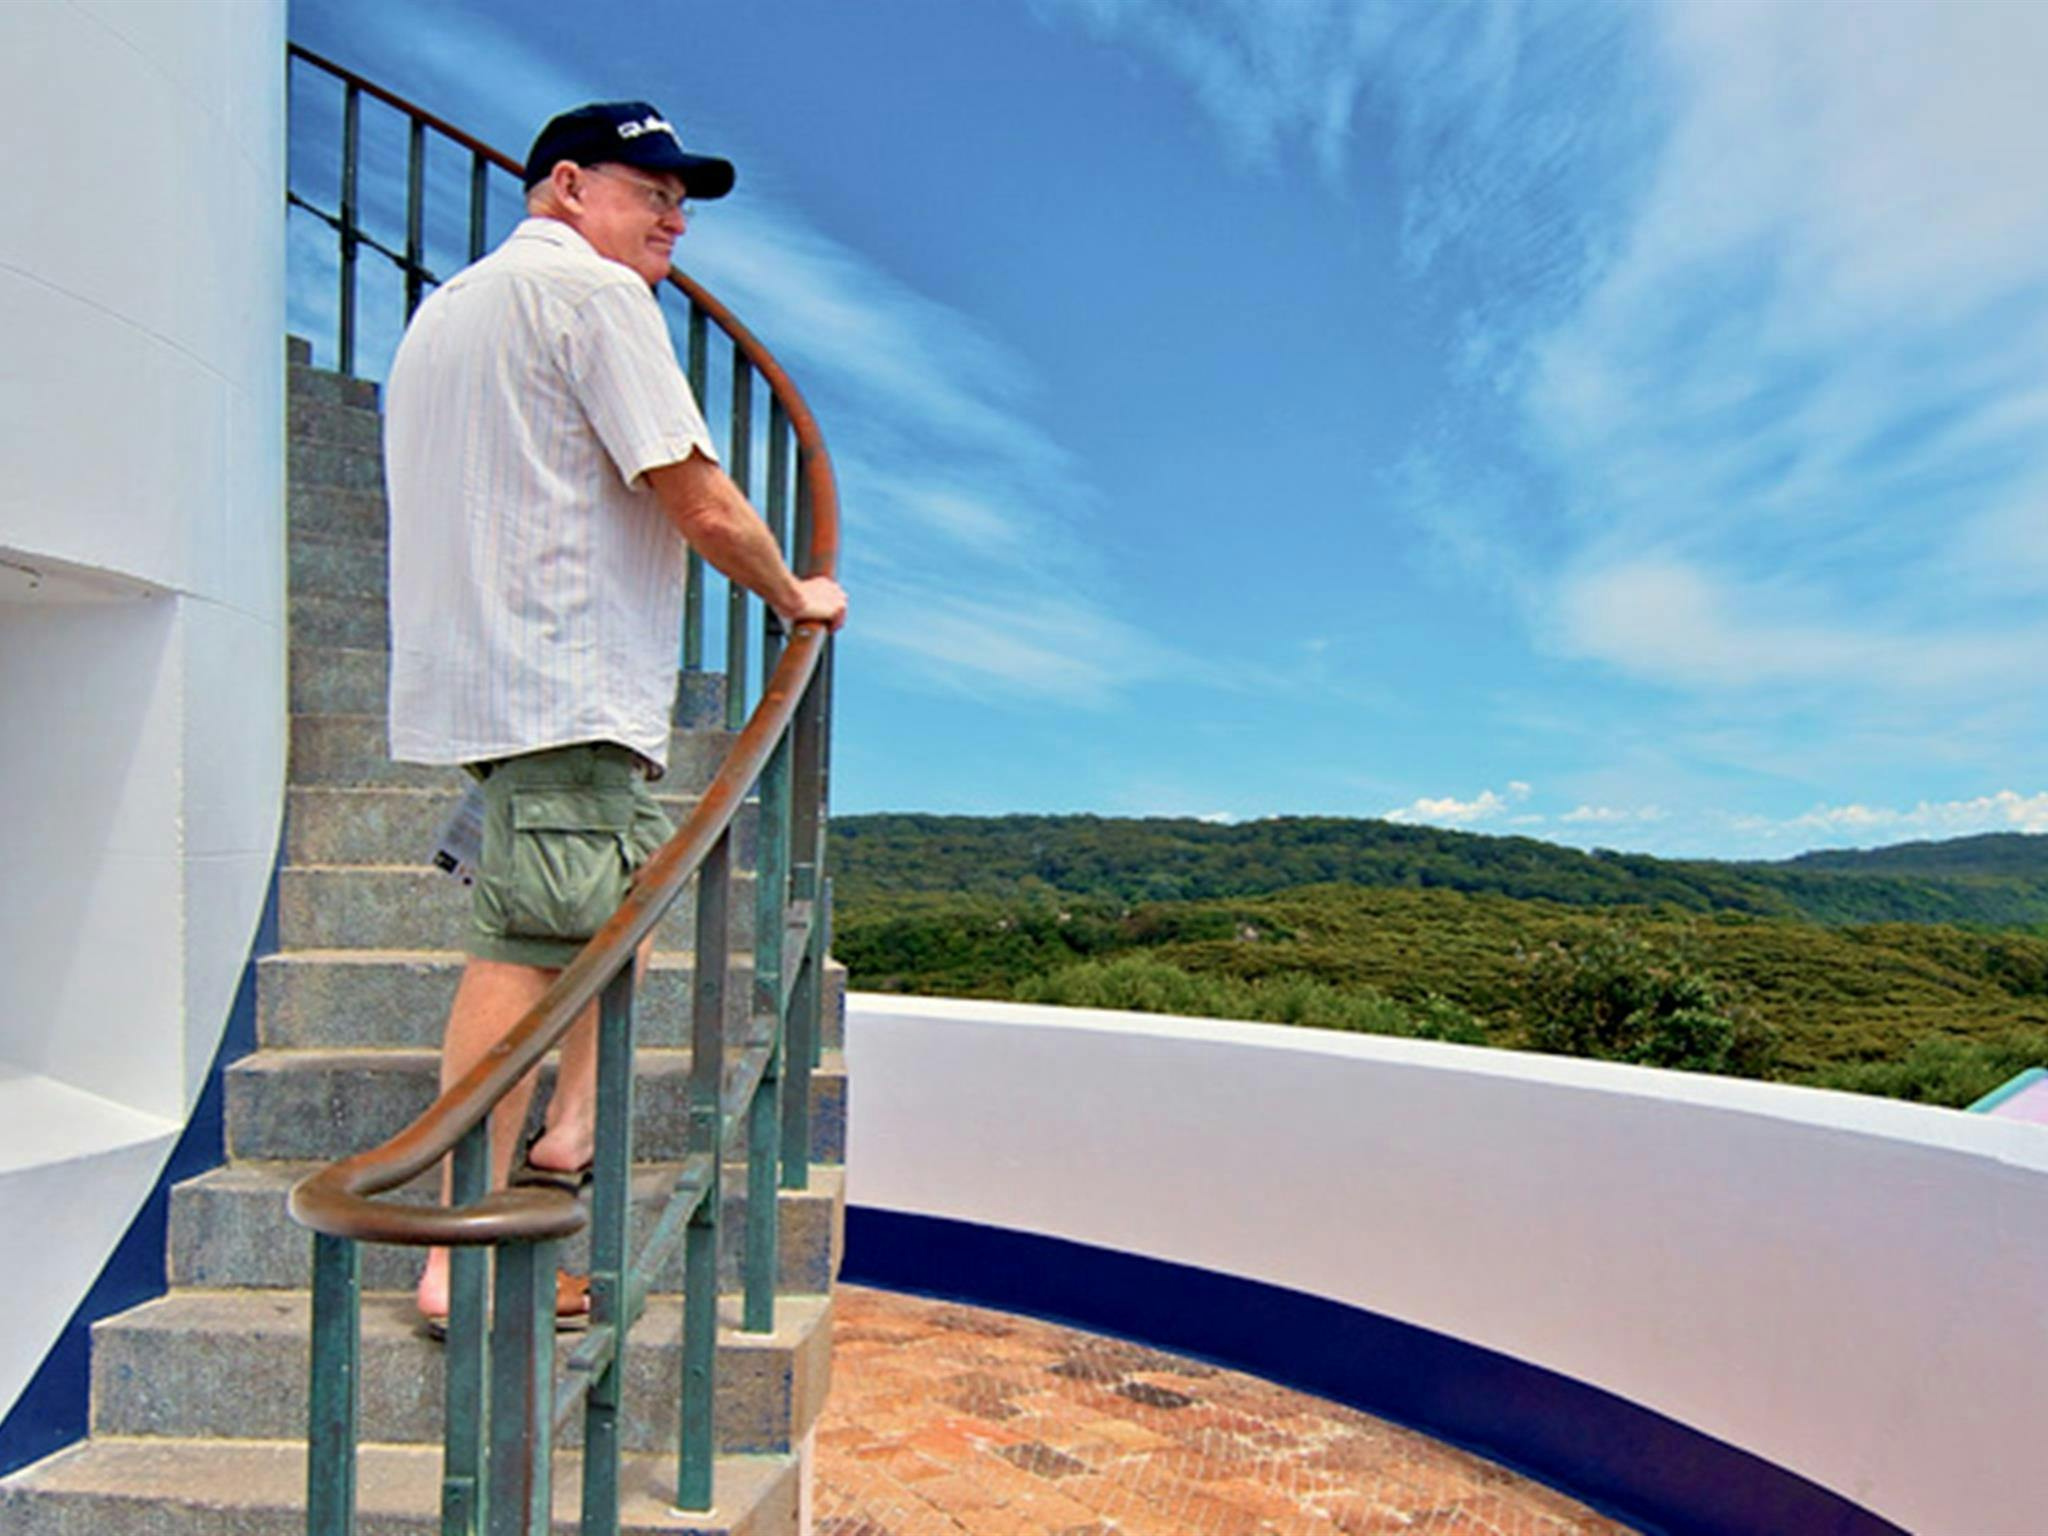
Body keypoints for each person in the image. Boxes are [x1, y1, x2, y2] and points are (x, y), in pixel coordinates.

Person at [383, 100, 848, 1333]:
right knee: (528, 957)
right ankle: (455, 1256)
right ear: (568, 188)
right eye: (651, 191)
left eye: (680, 197)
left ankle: (569, 1134)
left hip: (489, 678)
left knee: (620, 898)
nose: (673, 217)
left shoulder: (446, 312)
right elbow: (693, 493)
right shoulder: (594, 299)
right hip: (561, 683)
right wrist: (797, 593)